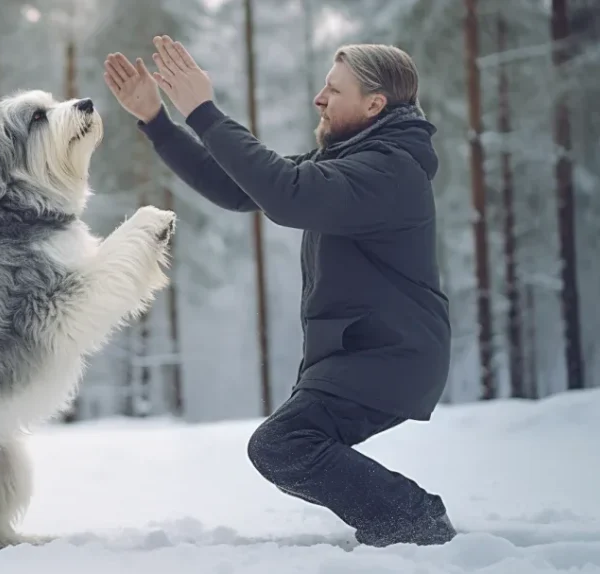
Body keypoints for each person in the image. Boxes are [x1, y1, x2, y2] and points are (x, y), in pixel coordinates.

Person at [102, 36, 456, 547]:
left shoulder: (389, 170)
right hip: (364, 353)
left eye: (334, 89)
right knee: (286, 445)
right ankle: (405, 521)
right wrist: (157, 120)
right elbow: (237, 187)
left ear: (375, 104)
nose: (320, 97)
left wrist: (202, 109)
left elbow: (286, 195)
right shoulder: (354, 159)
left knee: (284, 445)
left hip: (391, 355)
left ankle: (414, 519)